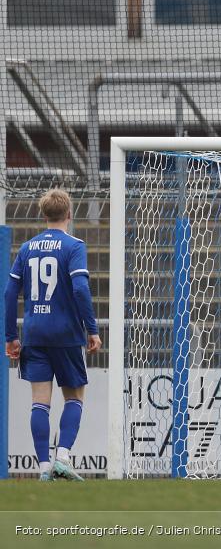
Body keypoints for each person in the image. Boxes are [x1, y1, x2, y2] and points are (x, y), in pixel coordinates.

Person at [4, 189, 101, 482]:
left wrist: (10, 336)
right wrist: (92, 329)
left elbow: (9, 294)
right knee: (75, 397)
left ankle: (44, 468)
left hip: (34, 334)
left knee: (39, 402)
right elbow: (81, 289)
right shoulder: (73, 246)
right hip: (66, 334)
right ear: (69, 214)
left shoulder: (27, 248)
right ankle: (62, 458)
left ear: (44, 214)